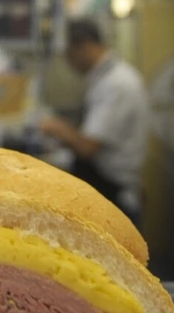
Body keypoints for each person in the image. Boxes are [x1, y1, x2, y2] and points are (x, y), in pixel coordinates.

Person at [39, 21, 148, 219]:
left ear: (85, 47)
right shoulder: (104, 78)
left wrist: (56, 127)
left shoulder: (116, 84)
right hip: (104, 183)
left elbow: (88, 146)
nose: (69, 63)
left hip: (114, 192)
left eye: (70, 55)